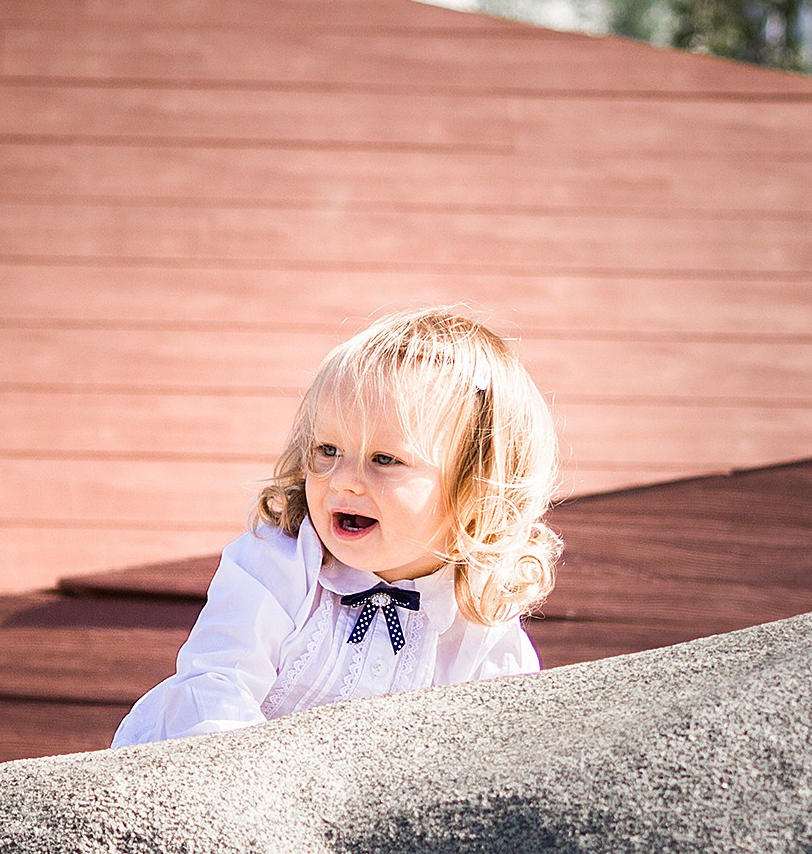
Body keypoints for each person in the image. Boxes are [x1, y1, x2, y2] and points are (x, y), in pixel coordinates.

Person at [110, 308, 562, 746]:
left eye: (384, 459)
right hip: (216, 776)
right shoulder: (279, 564)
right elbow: (216, 687)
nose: (343, 480)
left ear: (475, 490)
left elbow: (503, 755)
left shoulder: (484, 626)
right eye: (327, 450)